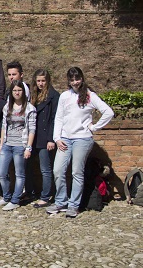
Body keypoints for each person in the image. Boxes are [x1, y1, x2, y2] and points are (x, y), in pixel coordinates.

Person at [46, 67, 113, 218]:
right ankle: (61, 201)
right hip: (65, 139)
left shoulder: (90, 95)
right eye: (72, 80)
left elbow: (108, 112)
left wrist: (95, 127)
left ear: (82, 78)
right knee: (58, 170)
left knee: (77, 171)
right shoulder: (64, 96)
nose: (75, 82)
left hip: (82, 139)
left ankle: (74, 205)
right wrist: (57, 138)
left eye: (77, 79)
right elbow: (59, 118)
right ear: (68, 81)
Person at [0, 80, 36, 211]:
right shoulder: (7, 107)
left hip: (20, 145)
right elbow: (4, 126)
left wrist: (28, 147)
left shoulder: (30, 108)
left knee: (19, 174)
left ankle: (15, 199)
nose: (17, 93)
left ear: (23, 92)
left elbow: (32, 129)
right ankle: (6, 197)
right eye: (14, 90)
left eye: (19, 90)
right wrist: (1, 143)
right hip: (7, 143)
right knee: (1, 172)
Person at [30, 69, 60, 208]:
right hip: (33, 136)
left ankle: (45, 196)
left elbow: (55, 118)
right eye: (38, 81)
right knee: (28, 166)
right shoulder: (34, 94)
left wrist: (51, 139)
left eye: (43, 81)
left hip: (45, 137)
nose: (41, 83)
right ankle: (30, 192)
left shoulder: (53, 96)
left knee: (45, 169)